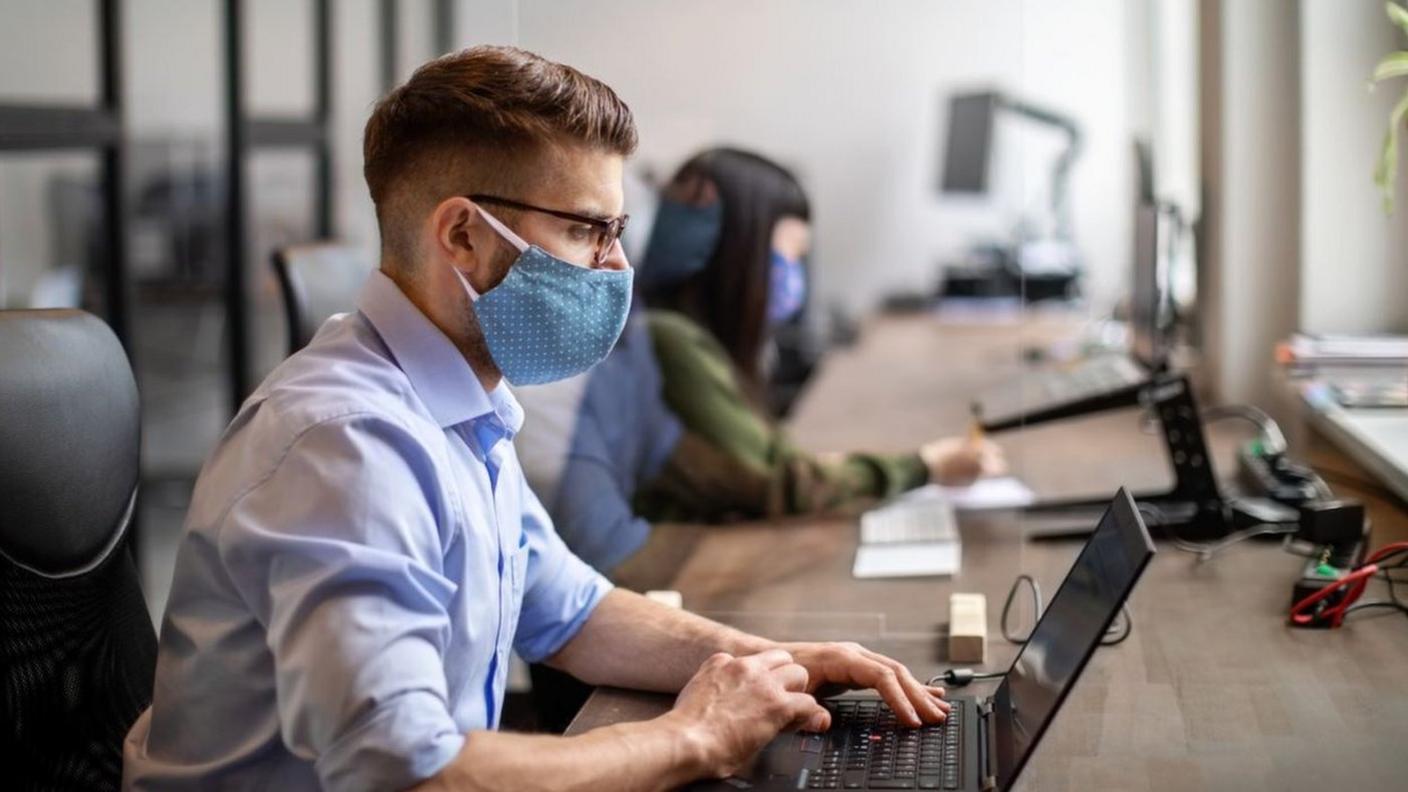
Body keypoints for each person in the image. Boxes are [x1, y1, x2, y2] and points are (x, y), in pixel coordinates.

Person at [122, 47, 951, 792]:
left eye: (617, 231)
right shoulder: (346, 445)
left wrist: (774, 663)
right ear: (462, 236)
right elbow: (404, 775)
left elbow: (573, 612)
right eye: (589, 230)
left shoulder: (460, 402)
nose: (618, 266)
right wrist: (696, 735)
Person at [513, 148, 1005, 575]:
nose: (794, 275)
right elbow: (778, 482)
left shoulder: (671, 329)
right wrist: (926, 465)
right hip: (656, 582)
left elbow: (766, 463)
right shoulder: (669, 340)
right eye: (788, 254)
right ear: (739, 251)